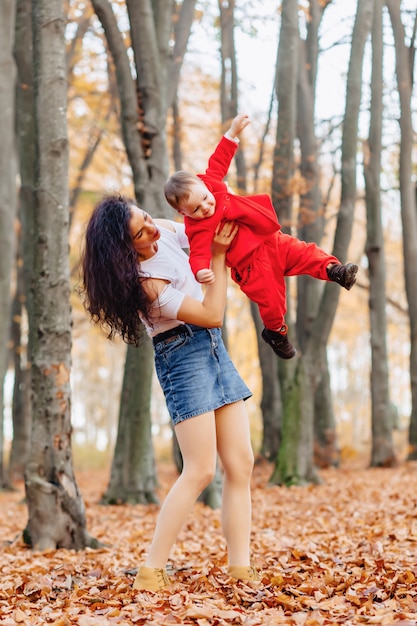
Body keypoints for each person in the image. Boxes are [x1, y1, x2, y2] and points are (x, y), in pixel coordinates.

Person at [81, 194, 259, 592]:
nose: (153, 228)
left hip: (213, 348)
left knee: (241, 462)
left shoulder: (160, 227)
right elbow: (213, 312)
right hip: (182, 355)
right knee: (199, 470)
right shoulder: (147, 284)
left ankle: (240, 568)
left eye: (145, 218)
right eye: (140, 233)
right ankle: (151, 570)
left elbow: (199, 233)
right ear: (125, 251)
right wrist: (216, 257)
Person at [164, 114, 359, 360]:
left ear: (203, 186)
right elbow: (199, 252)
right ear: (183, 213)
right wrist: (200, 271)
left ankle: (335, 270)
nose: (205, 207)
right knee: (272, 300)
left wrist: (232, 133)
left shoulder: (210, 183)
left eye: (204, 198)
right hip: (252, 266)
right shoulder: (197, 228)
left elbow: (219, 161)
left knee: (306, 252)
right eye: (195, 209)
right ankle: (276, 332)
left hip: (270, 239)